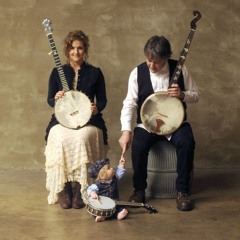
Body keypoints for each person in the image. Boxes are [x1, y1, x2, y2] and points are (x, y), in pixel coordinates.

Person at [118, 35, 199, 211]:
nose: (152, 66)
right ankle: (139, 190)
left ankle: (182, 191)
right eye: (149, 60)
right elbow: (129, 104)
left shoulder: (180, 69)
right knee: (138, 145)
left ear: (166, 58)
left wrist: (183, 94)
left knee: (187, 141)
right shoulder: (137, 73)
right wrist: (126, 131)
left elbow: (196, 95)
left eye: (157, 62)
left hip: (176, 125)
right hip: (147, 125)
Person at [44, 30, 108, 209]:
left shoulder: (95, 72)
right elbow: (49, 100)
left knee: (81, 138)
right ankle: (67, 190)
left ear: (85, 50)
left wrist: (96, 109)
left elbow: (103, 100)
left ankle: (81, 188)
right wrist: (55, 98)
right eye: (72, 48)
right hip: (62, 119)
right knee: (60, 137)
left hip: (89, 120)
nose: (76, 52)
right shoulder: (57, 72)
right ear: (67, 50)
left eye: (80, 48)